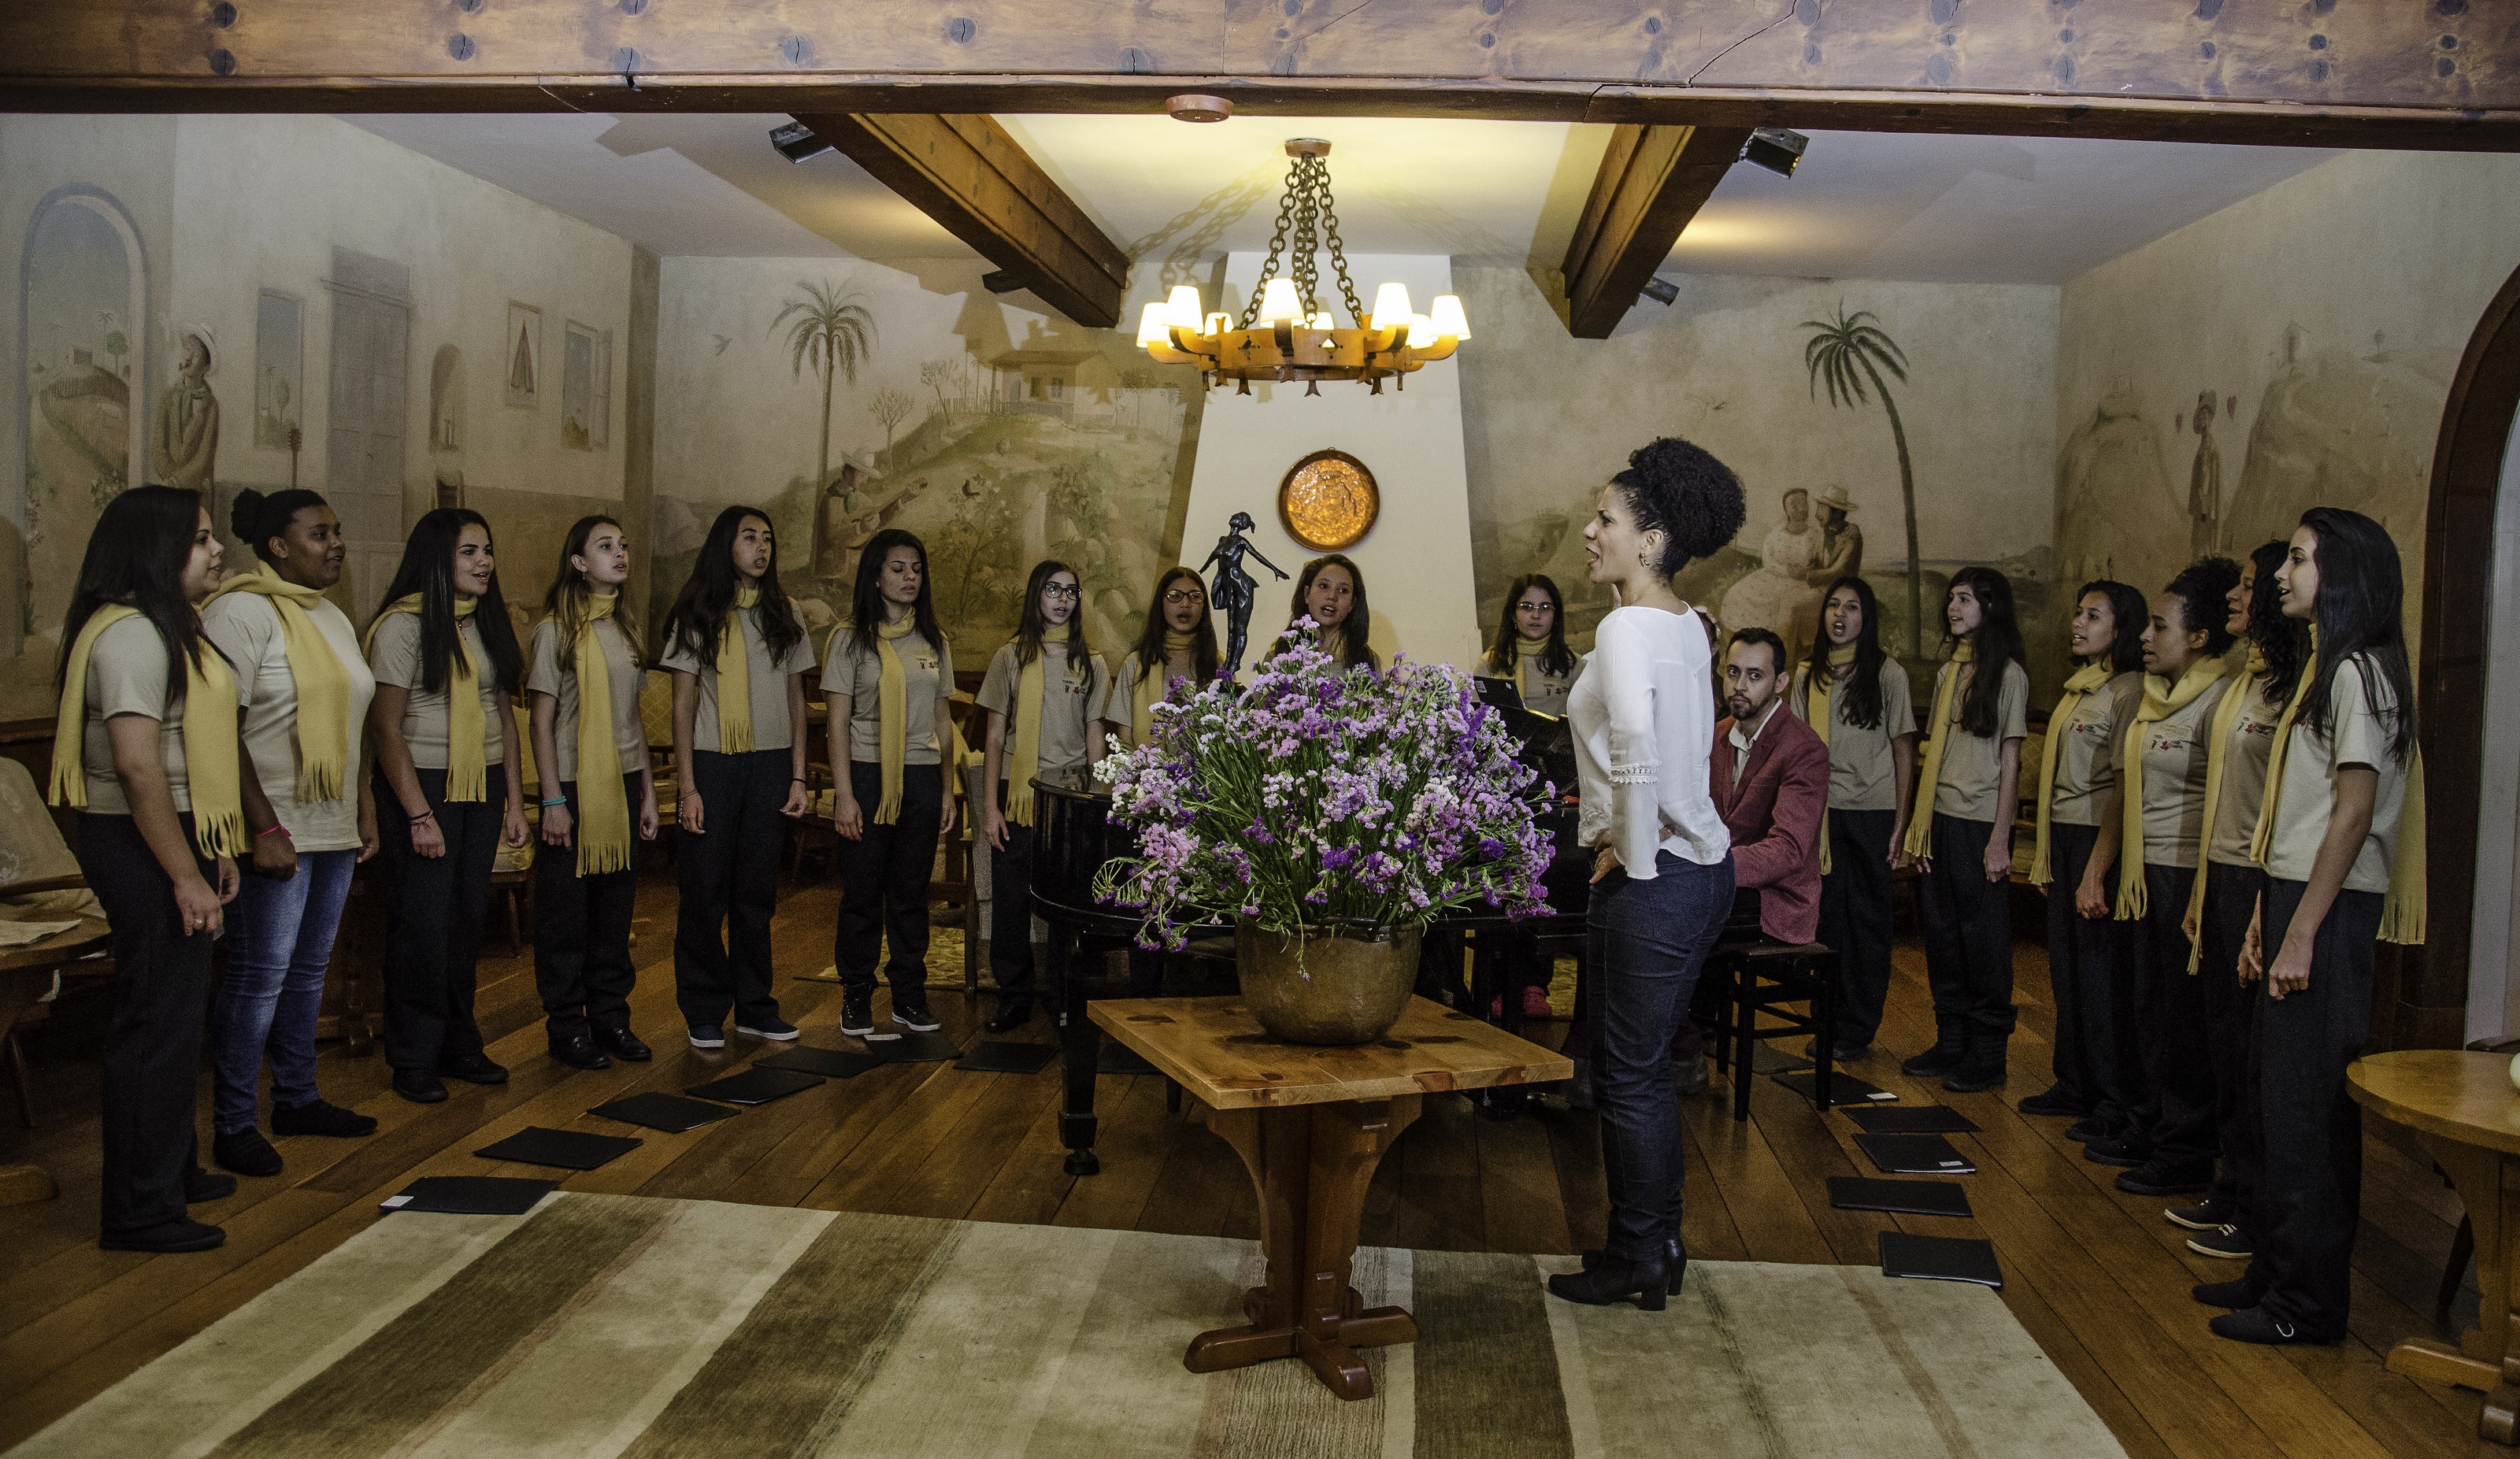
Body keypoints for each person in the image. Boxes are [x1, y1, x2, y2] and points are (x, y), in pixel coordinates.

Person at [2203, 508, 2424, 1346]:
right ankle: (2271, 1270)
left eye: (2296, 559)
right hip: (2295, 897)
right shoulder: (2322, 668)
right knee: (2273, 1099)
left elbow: (2352, 811)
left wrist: (2300, 930)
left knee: (2305, 1112)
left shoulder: (2356, 672)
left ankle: (2307, 1303)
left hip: (2326, 912)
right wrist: (2268, 911)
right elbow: (2293, 817)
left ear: (2342, 574)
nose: (2280, 574)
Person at [48, 485, 280, 1251]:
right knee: (156, 1022)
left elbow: (192, 756)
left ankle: (173, 1168)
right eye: (200, 539)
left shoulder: (162, 628)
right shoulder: (131, 638)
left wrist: (211, 847)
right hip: (136, 838)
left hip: (172, 833)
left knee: (179, 1017)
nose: (217, 551)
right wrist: (182, 873)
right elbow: (141, 768)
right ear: (154, 550)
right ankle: (139, 1209)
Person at [1549, 436, 1743, 1312]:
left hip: (1656, 875)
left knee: (1626, 1072)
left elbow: (1632, 747)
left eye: (1606, 519)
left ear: (1652, 540)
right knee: (1640, 1067)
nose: (1589, 531)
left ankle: (1640, 1250)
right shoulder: (1684, 623)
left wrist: (1623, 852)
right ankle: (1652, 1243)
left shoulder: (1627, 624)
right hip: (1699, 871)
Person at [199, 488, 379, 1177]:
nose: (334, 543)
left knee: (308, 974)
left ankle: (298, 1098)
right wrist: (263, 825)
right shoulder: (239, 612)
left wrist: (362, 804)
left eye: (336, 531)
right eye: (317, 534)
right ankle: (235, 1122)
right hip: (275, 827)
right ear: (277, 545)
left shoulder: (329, 615)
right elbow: (221, 729)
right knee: (259, 977)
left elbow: (352, 722)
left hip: (331, 824)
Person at [365, 509, 530, 1105]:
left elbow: (502, 716)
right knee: (423, 923)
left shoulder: (484, 622)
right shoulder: (401, 627)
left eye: (487, 550)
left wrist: (514, 798)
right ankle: (413, 1054)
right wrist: (416, 812)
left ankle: (461, 1043)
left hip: (481, 784)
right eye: (469, 552)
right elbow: (385, 729)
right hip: (424, 784)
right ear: (437, 559)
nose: (484, 561)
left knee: (465, 921)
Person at [2170, 541, 2304, 1261]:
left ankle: (2254, 1203)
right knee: (2223, 1040)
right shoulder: (2246, 681)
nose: (2238, 595)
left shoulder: (2292, 685)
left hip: (2260, 880)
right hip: (2219, 874)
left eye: (2250, 585)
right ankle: (2231, 1186)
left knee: (2254, 1053)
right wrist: (2202, 889)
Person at [660, 506, 816, 1050]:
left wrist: (798, 776)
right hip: (712, 762)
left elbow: (797, 699)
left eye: (768, 538)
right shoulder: (697, 611)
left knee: (756, 893)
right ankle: (704, 1008)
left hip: (771, 763)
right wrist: (687, 787)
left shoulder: (785, 611)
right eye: (750, 537)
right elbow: (682, 705)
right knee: (704, 891)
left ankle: (755, 1006)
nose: (762, 547)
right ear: (726, 544)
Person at [2110, 557, 2242, 1202]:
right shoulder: (2154, 696)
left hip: (2188, 876)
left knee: (2184, 1021)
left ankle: (2185, 1147)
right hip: (2146, 873)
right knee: (2151, 1008)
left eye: (2159, 626)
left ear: (2198, 637)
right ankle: (2154, 1123)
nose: (2145, 635)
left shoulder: (2220, 696)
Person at [526, 515, 658, 1071]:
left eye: (623, 545)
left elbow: (633, 721)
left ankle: (611, 1018)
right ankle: (567, 1026)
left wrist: (649, 792)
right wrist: (553, 801)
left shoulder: (626, 630)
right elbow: (540, 722)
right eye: (605, 546)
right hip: (576, 785)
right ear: (579, 562)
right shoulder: (555, 630)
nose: (620, 553)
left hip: (624, 781)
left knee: (614, 909)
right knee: (566, 914)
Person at [2018, 581, 2146, 1141]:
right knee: (2066, 969)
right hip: (2064, 838)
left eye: (2094, 616)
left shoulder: (2127, 690)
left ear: (2120, 630)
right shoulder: (2077, 689)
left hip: (2099, 839)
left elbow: (2123, 789)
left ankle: (2113, 1098)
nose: (2078, 622)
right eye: (2078, 612)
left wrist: (2096, 867)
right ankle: (2073, 1081)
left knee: (2100, 976)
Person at [1899, 567, 2031, 1093]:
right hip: (1941, 821)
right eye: (1951, 599)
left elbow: (2012, 759)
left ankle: (1988, 1054)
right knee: (1943, 935)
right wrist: (1920, 827)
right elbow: (1936, 753)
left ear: (1990, 607)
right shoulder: (1949, 670)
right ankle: (1951, 1041)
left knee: (1983, 941)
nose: (1953, 608)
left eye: (1965, 599)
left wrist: (2001, 837)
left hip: (1980, 825)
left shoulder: (2009, 674)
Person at [824, 528, 955, 1039]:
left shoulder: (933, 640)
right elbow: (836, 721)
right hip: (865, 774)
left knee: (910, 894)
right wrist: (844, 794)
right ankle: (856, 996)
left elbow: (942, 720)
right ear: (875, 575)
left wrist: (946, 789)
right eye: (898, 568)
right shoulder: (849, 638)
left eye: (916, 569)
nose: (909, 578)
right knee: (862, 895)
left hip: (921, 776)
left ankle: (909, 995)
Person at [977, 559, 1111, 1031]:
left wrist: (1098, 801)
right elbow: (994, 737)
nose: (1061, 599)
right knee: (1011, 899)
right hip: (1015, 790)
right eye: (1052, 590)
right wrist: (990, 809)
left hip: (1069, 796)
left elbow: (1095, 734)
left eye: (1070, 591)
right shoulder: (1009, 656)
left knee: (1064, 903)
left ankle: (1061, 996)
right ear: (1036, 596)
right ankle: (1013, 995)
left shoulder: (1091, 661)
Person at [1788, 576, 1914, 1057]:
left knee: (1867, 925)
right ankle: (1825, 1024)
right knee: (1826, 925)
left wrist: (1901, 822)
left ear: (1867, 618)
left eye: (1853, 607)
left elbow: (1904, 750)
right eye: (1833, 606)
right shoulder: (1807, 675)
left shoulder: (1887, 674)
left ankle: (1858, 1028)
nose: (1840, 615)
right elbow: (1797, 753)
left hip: (1873, 813)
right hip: (1821, 817)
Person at [1711, 628, 1829, 946]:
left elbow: (1788, 851)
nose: (1739, 686)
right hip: (1725, 887)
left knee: (1673, 913)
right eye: (1733, 672)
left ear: (1780, 683)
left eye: (1755, 676)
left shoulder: (1805, 749)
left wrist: (1709, 869)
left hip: (1775, 899)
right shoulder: (1717, 734)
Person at [1114, 565, 1221, 743]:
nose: (1185, 604)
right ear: (1161, 603)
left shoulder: (1219, 663)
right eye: (1175, 596)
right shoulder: (1136, 662)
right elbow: (1125, 734)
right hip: (1149, 768)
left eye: (1195, 597)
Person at [1480, 573, 1583, 717]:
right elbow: (1474, 721)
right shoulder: (1490, 662)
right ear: (1513, 615)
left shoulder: (1573, 665)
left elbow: (1584, 722)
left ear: (1555, 616)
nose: (1536, 615)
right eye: (1527, 607)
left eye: (1545, 607)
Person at [1267, 554, 1379, 672]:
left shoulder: (1365, 660)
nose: (1332, 596)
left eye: (1343, 590)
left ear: (1352, 604)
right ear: (1307, 594)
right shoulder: (1280, 655)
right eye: (1324, 586)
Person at [1810, 487, 1862, 583]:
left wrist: (1806, 575)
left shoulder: (1851, 535)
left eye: (1822, 508)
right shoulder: (1821, 534)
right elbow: (1815, 564)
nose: (1816, 515)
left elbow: (1838, 572)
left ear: (1837, 513)